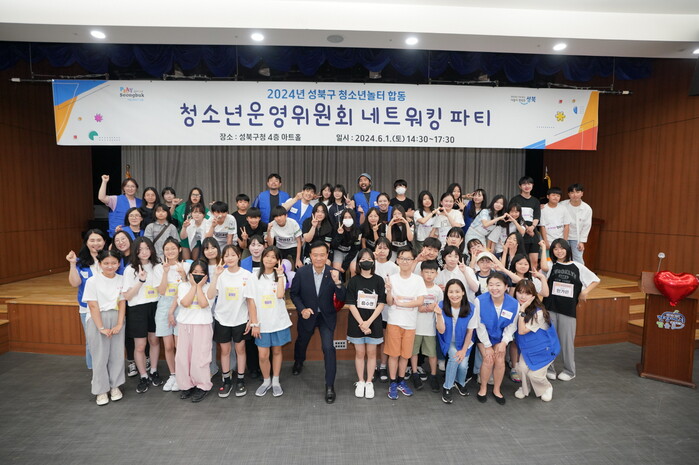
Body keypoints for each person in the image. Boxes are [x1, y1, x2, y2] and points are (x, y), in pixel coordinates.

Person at [290, 242, 346, 403]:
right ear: (310, 256)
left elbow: (342, 297)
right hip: (308, 315)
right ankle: (298, 361)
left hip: (326, 317)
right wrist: (302, 309)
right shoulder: (302, 272)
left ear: (327, 255)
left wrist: (337, 283)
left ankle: (330, 386)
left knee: (328, 348)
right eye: (315, 255)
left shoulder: (334, 273)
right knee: (302, 341)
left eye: (322, 255)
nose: (319, 258)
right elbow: (294, 294)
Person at [543, 238, 600, 381]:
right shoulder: (551, 265)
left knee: (567, 341)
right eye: (555, 249)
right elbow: (542, 269)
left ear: (567, 249)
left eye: (562, 248)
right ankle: (549, 368)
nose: (559, 251)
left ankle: (569, 371)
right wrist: (543, 248)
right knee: (549, 339)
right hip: (550, 307)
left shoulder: (577, 266)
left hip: (568, 309)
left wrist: (585, 292)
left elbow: (595, 280)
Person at [207, 245, 259, 398]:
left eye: (232, 255)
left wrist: (252, 320)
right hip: (222, 319)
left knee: (240, 349)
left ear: (238, 256)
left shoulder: (247, 275)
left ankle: (241, 380)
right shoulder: (220, 274)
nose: (229, 258)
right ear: (223, 258)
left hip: (240, 319)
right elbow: (210, 295)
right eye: (226, 255)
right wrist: (215, 276)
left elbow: (250, 300)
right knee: (225, 351)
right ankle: (227, 380)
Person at [82, 249, 126, 405]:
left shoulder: (122, 279)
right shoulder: (92, 281)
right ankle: (101, 390)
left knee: (117, 354)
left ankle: (115, 386)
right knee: (99, 356)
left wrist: (120, 323)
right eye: (106, 263)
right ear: (100, 264)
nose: (110, 266)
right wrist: (101, 327)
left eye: (114, 263)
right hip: (97, 319)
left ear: (118, 264)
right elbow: (93, 305)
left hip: (116, 317)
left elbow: (122, 302)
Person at [384, 247, 427, 400]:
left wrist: (402, 303)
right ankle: (393, 382)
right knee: (393, 355)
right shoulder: (392, 279)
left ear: (413, 261)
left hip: (410, 323)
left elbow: (420, 301)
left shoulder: (418, 280)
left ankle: (401, 381)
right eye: (402, 258)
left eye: (408, 259)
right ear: (397, 260)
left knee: (405, 355)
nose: (405, 261)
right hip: (394, 321)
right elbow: (390, 302)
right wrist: (389, 291)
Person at [122, 237, 162, 393]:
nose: (144, 252)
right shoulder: (130, 269)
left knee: (154, 341)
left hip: (155, 306)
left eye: (147, 248)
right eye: (140, 249)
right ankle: (143, 375)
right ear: (135, 251)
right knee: (140, 345)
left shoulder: (157, 266)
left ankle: (154, 370)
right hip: (137, 309)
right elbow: (127, 296)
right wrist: (140, 281)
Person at [171, 259, 214, 403]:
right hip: (185, 325)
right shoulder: (183, 286)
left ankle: (202, 386)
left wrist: (199, 287)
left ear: (206, 275)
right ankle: (186, 385)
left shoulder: (209, 287)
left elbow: (203, 304)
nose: (198, 275)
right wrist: (194, 286)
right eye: (195, 272)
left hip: (202, 325)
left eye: (201, 273)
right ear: (190, 273)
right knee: (182, 357)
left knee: (200, 358)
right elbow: (185, 303)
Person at [345, 248, 386, 399]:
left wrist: (368, 322)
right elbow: (351, 304)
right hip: (357, 323)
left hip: (373, 322)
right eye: (363, 259)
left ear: (373, 262)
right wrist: (362, 323)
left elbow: (381, 303)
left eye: (369, 259)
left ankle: (369, 382)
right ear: (358, 262)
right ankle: (361, 381)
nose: (366, 262)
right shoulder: (353, 281)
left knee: (372, 353)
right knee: (360, 353)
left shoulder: (379, 280)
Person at [252, 246, 292, 397]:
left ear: (278, 260)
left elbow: (280, 295)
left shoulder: (280, 276)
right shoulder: (254, 275)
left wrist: (280, 275)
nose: (269, 259)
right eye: (267, 256)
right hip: (261, 322)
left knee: (277, 351)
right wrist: (254, 323)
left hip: (278, 321)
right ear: (262, 257)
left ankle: (275, 381)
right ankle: (266, 381)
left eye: (273, 257)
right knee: (263, 355)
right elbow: (250, 301)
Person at [475, 272, 519, 404]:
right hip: (483, 336)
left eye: (498, 285)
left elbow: (512, 325)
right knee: (488, 359)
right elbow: (479, 325)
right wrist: (487, 345)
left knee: (500, 360)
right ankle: (483, 388)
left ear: (506, 286)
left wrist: (504, 342)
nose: (494, 288)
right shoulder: (480, 301)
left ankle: (496, 389)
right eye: (491, 285)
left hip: (501, 337)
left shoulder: (514, 303)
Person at [66, 228, 108, 369]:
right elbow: (75, 283)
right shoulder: (80, 262)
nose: (96, 243)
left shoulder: (110, 259)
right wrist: (72, 264)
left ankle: (108, 368)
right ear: (86, 243)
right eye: (92, 240)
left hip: (108, 307)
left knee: (108, 340)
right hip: (87, 308)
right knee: (92, 341)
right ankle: (96, 371)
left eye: (99, 240)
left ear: (104, 242)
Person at [513, 279, 560, 402]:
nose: (523, 296)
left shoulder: (539, 313)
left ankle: (546, 387)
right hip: (527, 348)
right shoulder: (514, 306)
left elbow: (522, 331)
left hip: (544, 349)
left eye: (527, 293)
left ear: (533, 295)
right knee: (521, 369)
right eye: (520, 292)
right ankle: (525, 388)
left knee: (534, 375)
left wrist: (522, 310)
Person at [153, 237, 190, 392]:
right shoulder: (158, 268)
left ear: (179, 249)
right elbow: (161, 291)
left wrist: (183, 274)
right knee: (168, 346)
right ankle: (173, 375)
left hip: (181, 307)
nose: (170, 251)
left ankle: (182, 375)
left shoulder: (187, 265)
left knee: (179, 345)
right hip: (164, 306)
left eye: (173, 248)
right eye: (167, 249)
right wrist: (165, 272)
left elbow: (189, 287)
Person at [435, 279, 479, 404]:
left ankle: (460, 382)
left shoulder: (472, 308)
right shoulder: (441, 305)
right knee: (454, 358)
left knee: (463, 365)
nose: (454, 295)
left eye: (457, 291)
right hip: (448, 341)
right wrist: (439, 315)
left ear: (463, 292)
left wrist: (464, 350)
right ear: (446, 293)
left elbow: (470, 332)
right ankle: (447, 386)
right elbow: (441, 330)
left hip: (465, 342)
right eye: (451, 292)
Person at [410, 260, 442, 393]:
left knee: (432, 354)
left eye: (432, 272)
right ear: (421, 273)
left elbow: (440, 307)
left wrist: (431, 308)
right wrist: (423, 308)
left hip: (430, 328)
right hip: (416, 326)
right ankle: (414, 373)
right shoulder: (416, 287)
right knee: (414, 352)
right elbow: (413, 304)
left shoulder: (438, 290)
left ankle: (433, 375)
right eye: (426, 272)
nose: (429, 275)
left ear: (436, 274)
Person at [373, 237, 400, 382]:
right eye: (379, 247)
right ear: (375, 248)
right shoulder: (370, 264)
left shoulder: (394, 267)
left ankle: (383, 366)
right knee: (372, 340)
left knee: (384, 339)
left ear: (389, 251)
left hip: (387, 309)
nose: (382, 251)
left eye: (385, 248)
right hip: (371, 307)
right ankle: (372, 366)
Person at [510, 176, 542, 270]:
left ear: (532, 185)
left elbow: (537, 216)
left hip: (533, 232)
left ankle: (533, 278)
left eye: (529, 184)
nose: (527, 186)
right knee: (521, 259)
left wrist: (532, 227)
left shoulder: (535, 201)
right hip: (520, 231)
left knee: (534, 261)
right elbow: (514, 215)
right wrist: (526, 227)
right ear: (520, 186)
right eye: (524, 184)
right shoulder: (515, 199)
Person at [560, 183, 593, 264]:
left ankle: (580, 272)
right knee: (563, 257)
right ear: (568, 194)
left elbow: (587, 226)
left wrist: (582, 241)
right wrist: (542, 206)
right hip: (563, 235)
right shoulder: (562, 205)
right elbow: (551, 207)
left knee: (578, 258)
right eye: (572, 192)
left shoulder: (587, 208)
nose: (575, 195)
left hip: (576, 237)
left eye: (577, 192)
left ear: (582, 193)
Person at [173, 187, 209, 260]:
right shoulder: (182, 207)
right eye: (193, 195)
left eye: (197, 195)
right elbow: (171, 216)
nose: (195, 197)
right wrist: (173, 205)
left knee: (195, 261)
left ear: (200, 197)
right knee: (187, 261)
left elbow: (210, 222)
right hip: (184, 236)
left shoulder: (204, 209)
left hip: (196, 237)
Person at [331, 208, 362, 274]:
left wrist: (345, 266)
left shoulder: (358, 231)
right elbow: (333, 246)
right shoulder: (337, 227)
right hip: (339, 251)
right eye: (345, 217)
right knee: (336, 270)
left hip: (351, 252)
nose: (347, 219)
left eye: (350, 217)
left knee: (354, 269)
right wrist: (339, 235)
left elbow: (355, 249)